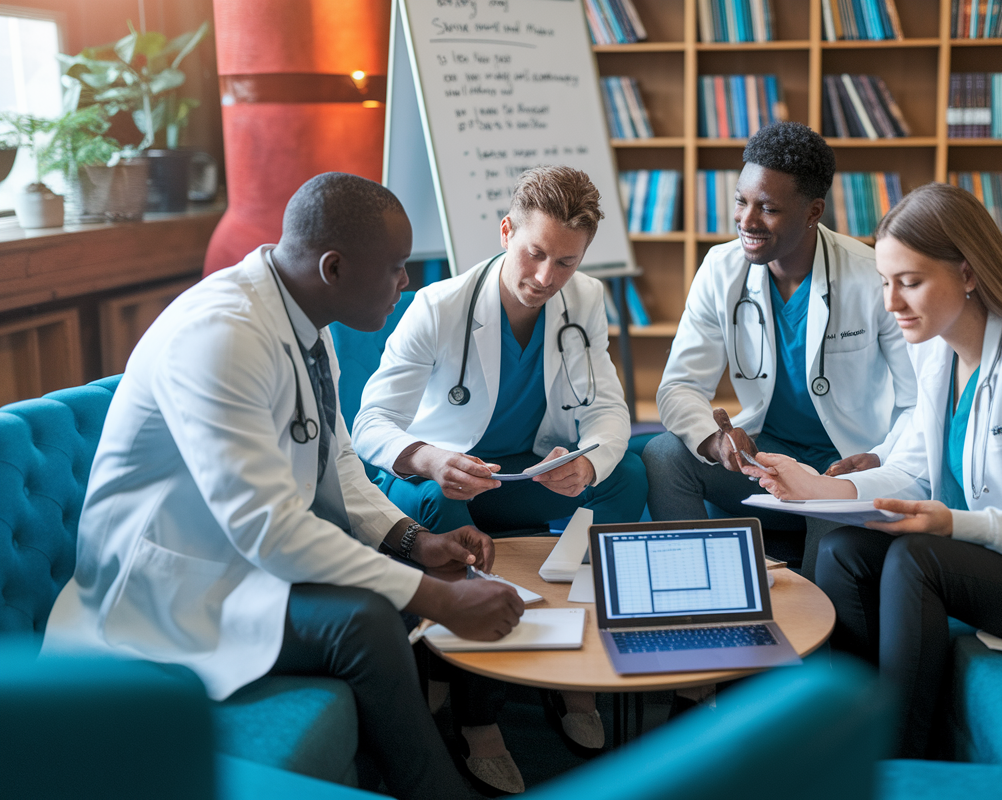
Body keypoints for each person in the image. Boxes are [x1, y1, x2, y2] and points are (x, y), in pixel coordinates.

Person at [42, 173, 524, 800]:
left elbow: (335, 455)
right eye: (397, 268)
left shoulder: (307, 317)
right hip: (167, 585)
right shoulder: (221, 337)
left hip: (238, 560)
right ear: (334, 267)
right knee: (366, 623)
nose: (406, 283)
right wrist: (437, 598)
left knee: (416, 589)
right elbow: (267, 527)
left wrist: (412, 541)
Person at [744, 182, 1002, 758]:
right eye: (886, 283)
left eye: (911, 283)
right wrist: (823, 488)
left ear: (969, 274)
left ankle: (902, 759)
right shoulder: (937, 350)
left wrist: (950, 524)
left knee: (917, 560)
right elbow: (914, 471)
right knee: (842, 546)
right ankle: (843, 740)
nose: (892, 304)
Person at [352, 165, 644, 792]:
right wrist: (429, 457)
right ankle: (478, 717)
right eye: (535, 253)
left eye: (565, 262)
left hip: (526, 475)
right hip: (448, 482)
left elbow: (609, 411)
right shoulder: (440, 306)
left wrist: (589, 460)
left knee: (629, 478)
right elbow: (369, 424)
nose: (546, 278)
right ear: (507, 230)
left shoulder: (585, 300)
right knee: (442, 516)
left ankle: (582, 670)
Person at [642, 121, 916, 533]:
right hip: (766, 457)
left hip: (842, 464)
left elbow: (919, 400)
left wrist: (882, 456)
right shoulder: (721, 268)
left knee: (826, 550)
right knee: (662, 455)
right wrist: (714, 440)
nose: (746, 221)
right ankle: (698, 577)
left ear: (813, 211)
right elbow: (679, 385)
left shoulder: (871, 275)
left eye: (768, 208)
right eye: (741, 201)